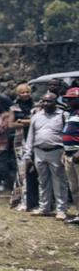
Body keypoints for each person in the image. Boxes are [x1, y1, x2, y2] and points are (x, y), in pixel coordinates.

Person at [24, 91, 67, 219]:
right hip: (39, 152)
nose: (46, 103)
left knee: (59, 181)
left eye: (49, 101)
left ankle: (61, 209)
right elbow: (30, 136)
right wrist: (28, 155)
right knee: (42, 181)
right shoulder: (36, 116)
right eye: (44, 101)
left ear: (56, 102)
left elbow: (67, 135)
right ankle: (44, 207)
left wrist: (66, 151)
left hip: (56, 151)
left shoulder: (63, 115)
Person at [8, 83, 38, 211]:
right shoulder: (14, 108)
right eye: (22, 92)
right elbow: (10, 124)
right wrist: (26, 123)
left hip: (35, 140)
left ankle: (35, 200)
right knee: (22, 171)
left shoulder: (36, 107)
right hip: (20, 141)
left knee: (35, 170)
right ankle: (22, 200)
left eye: (27, 92)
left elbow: (37, 121)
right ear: (18, 94)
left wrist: (23, 122)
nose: (25, 94)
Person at [62, 87, 79, 225]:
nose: (68, 101)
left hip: (77, 154)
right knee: (74, 187)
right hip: (69, 154)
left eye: (71, 99)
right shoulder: (71, 113)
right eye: (67, 99)